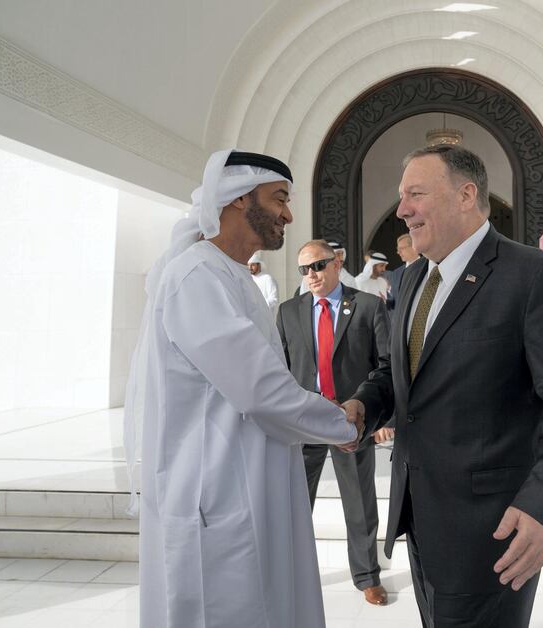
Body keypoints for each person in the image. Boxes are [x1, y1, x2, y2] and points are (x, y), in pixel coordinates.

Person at [346, 145, 543, 628]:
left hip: (494, 527)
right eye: (402, 197)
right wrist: (365, 405)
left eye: (415, 194)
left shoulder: (533, 275)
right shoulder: (407, 281)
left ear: (465, 195)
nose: (401, 210)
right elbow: (399, 372)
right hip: (419, 516)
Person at [123, 149, 363, 628]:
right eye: (279, 199)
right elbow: (261, 391)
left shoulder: (232, 277)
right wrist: (341, 424)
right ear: (236, 199)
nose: (288, 215)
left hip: (251, 482)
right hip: (217, 495)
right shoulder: (196, 275)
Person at [277, 239, 393, 606]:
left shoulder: (368, 306)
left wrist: (379, 418)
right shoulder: (288, 312)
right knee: (295, 501)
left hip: (351, 420)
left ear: (336, 264)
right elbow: (279, 369)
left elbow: (385, 365)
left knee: (359, 501)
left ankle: (366, 576)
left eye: (318, 266)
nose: (311, 275)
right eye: (304, 269)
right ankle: (289, 573)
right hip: (304, 421)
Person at [387, 233, 419, 314]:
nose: (398, 252)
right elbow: (394, 301)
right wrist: (385, 300)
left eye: (401, 248)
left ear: (413, 246)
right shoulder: (396, 273)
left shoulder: (428, 267)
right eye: (398, 249)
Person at [248, 250, 279, 316]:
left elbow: (274, 299)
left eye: (253, 265)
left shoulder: (267, 278)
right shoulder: (248, 279)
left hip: (265, 317)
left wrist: (258, 306)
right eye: (248, 265)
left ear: (259, 265)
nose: (250, 268)